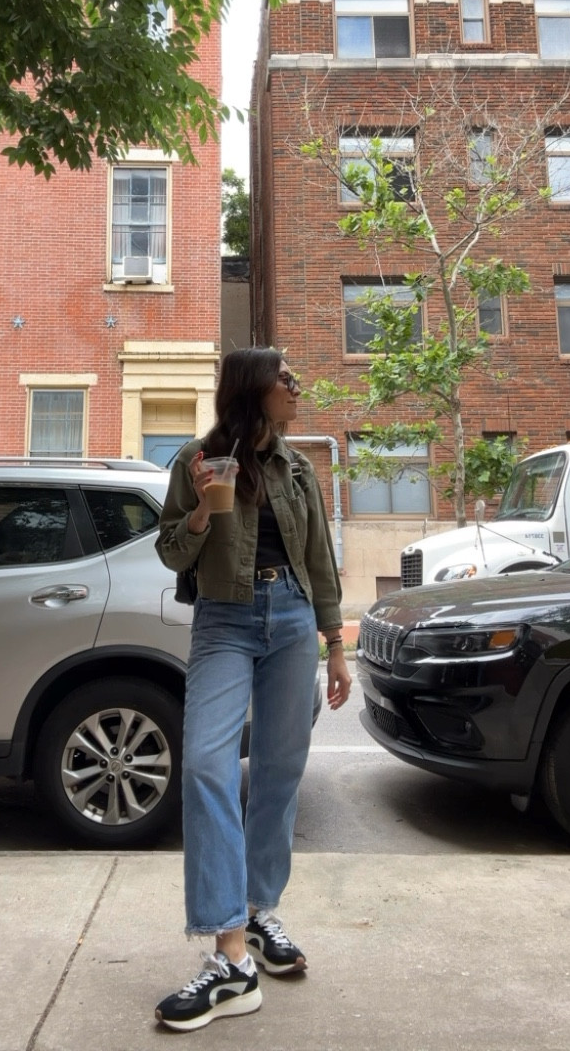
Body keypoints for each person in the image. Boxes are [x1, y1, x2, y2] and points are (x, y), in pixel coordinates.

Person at [154, 346, 352, 1032]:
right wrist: (205, 513)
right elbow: (170, 550)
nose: (297, 388)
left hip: (294, 619)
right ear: (253, 388)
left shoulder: (298, 468)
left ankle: (260, 912)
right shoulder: (196, 460)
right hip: (224, 622)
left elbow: (320, 557)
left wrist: (336, 645)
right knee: (208, 764)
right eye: (285, 379)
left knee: (279, 772)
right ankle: (229, 953)